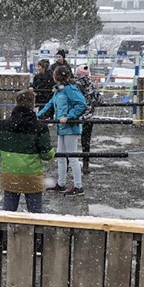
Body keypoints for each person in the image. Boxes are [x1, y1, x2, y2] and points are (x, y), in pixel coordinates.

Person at [0, 91, 54, 213]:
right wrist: (52, 152)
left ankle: (7, 225)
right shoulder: (40, 127)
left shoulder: (4, 125)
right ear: (33, 104)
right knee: (35, 213)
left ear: (16, 103)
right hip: (32, 176)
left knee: (8, 212)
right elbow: (47, 154)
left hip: (10, 174)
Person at [38, 65, 87, 195]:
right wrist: (37, 116)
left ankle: (78, 186)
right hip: (61, 128)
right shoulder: (59, 90)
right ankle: (61, 183)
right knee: (60, 156)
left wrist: (69, 116)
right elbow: (50, 104)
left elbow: (81, 104)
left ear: (57, 76)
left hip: (70, 127)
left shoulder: (70, 89)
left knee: (72, 157)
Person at [75, 65, 102, 174]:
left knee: (70, 141)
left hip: (76, 117)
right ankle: (86, 164)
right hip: (89, 117)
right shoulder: (91, 85)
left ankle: (68, 163)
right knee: (86, 141)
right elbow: (99, 100)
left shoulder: (76, 85)